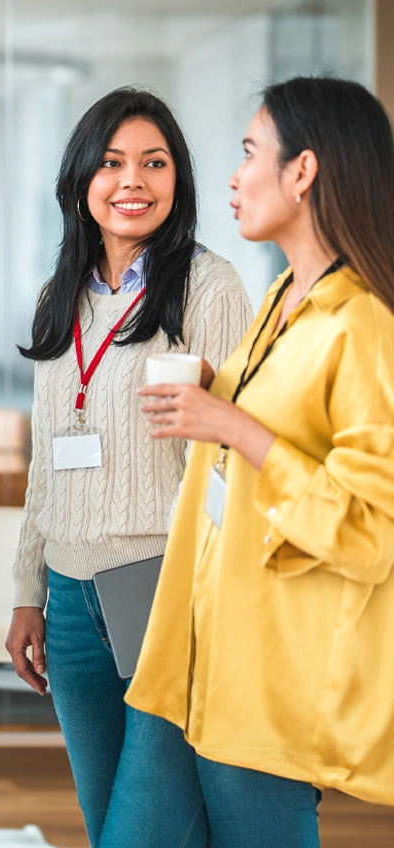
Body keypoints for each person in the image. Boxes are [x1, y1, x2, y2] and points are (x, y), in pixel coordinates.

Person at [127, 76, 394, 847]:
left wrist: (233, 424)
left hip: (268, 677)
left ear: (303, 172)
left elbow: (368, 533)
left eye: (250, 154)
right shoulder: (282, 297)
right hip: (192, 647)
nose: (235, 178)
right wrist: (221, 398)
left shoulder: (364, 326)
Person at [5, 88, 252, 848]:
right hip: (74, 605)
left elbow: (229, 462)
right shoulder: (61, 298)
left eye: (154, 162)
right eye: (112, 163)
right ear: (82, 179)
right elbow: (46, 460)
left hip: (164, 590)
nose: (132, 182)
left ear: (179, 181)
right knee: (108, 820)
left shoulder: (209, 288)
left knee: (144, 833)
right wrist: (28, 593)